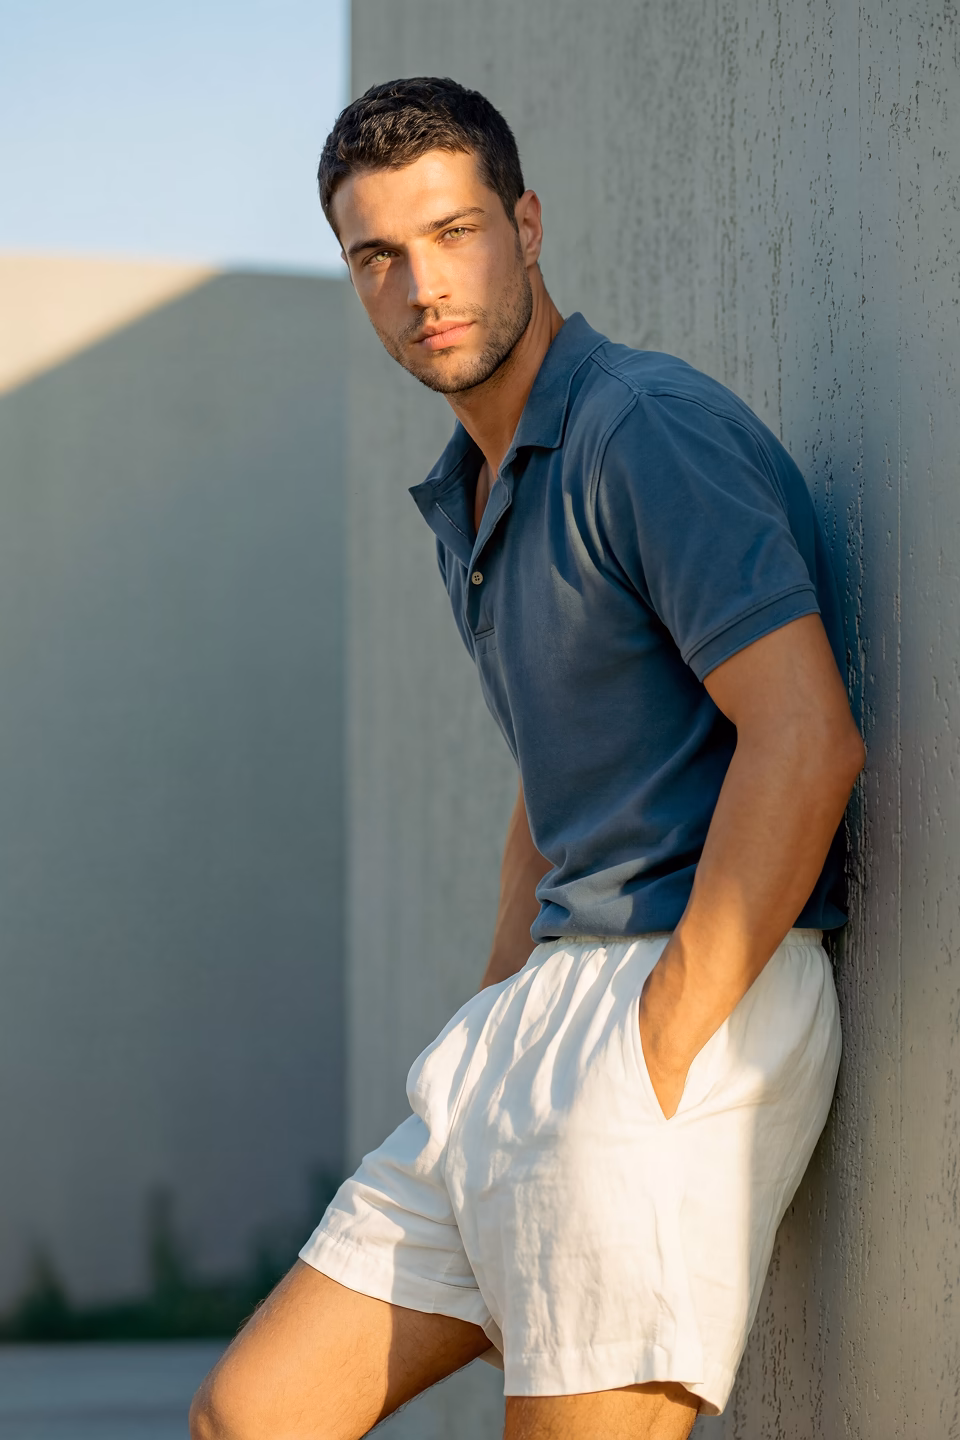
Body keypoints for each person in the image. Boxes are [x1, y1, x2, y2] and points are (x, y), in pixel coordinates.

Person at [190, 76, 865, 1440]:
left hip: (678, 988)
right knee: (250, 1415)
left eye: (454, 232)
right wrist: (496, 1011)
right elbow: (550, 778)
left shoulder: (640, 429)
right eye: (378, 256)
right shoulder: (474, 494)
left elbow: (806, 736)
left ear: (528, 225)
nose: (422, 286)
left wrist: (663, 1041)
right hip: (542, 1018)